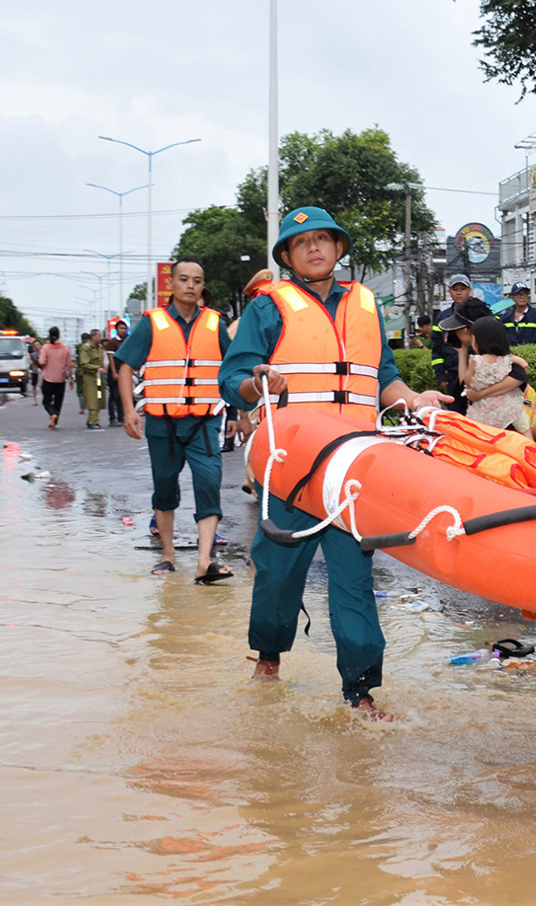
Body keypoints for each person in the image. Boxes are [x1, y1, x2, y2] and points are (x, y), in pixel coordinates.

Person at [219, 206, 451, 720]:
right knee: (278, 573)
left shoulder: (366, 303)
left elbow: (382, 375)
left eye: (322, 239)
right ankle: (268, 659)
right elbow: (232, 379)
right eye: (301, 243)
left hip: (354, 468)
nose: (313, 248)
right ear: (287, 256)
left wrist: (414, 399)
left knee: (353, 580)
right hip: (293, 465)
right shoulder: (267, 307)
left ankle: (361, 693)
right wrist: (258, 382)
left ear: (338, 248)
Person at [118, 258, 233, 584]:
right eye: (184, 279)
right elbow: (125, 366)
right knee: (165, 487)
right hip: (162, 423)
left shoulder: (215, 323)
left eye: (197, 280)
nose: (190, 285)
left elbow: (231, 370)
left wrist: (239, 415)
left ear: (202, 285)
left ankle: (204, 561)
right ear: (172, 283)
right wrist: (129, 410)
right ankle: (168, 555)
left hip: (205, 423)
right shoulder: (152, 323)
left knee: (208, 482)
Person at [450, 311, 529, 432]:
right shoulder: (505, 361)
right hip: (510, 413)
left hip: (487, 418)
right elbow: (525, 366)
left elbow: (467, 382)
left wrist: (480, 394)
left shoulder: (477, 361)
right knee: (526, 433)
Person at [431, 274, 474, 413]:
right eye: (455, 289)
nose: (459, 293)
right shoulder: (442, 318)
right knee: (455, 412)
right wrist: (440, 375)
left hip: (477, 372)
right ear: (449, 291)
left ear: (469, 290)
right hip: (453, 374)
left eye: (463, 289)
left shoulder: (478, 314)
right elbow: (437, 349)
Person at [37, 327, 72, 429]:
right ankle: (54, 422)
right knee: (58, 401)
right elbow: (69, 365)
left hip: (48, 378)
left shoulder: (46, 348)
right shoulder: (65, 348)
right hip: (61, 378)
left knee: (46, 401)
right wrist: (71, 379)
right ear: (59, 335)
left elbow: (42, 362)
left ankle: (52, 413)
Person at [76, 328, 107, 428]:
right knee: (92, 398)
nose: (100, 338)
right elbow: (84, 363)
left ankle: (93, 420)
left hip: (99, 377)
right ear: (93, 337)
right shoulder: (86, 347)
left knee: (99, 397)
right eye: (98, 336)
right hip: (90, 377)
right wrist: (96, 368)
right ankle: (93, 421)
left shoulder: (100, 347)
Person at [105, 320, 129, 425]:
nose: (123, 330)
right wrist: (114, 372)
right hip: (114, 372)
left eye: (124, 328)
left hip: (125, 372)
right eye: (121, 328)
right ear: (117, 329)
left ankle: (121, 417)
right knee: (114, 396)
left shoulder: (127, 340)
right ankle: (112, 418)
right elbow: (111, 358)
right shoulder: (112, 342)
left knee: (122, 395)